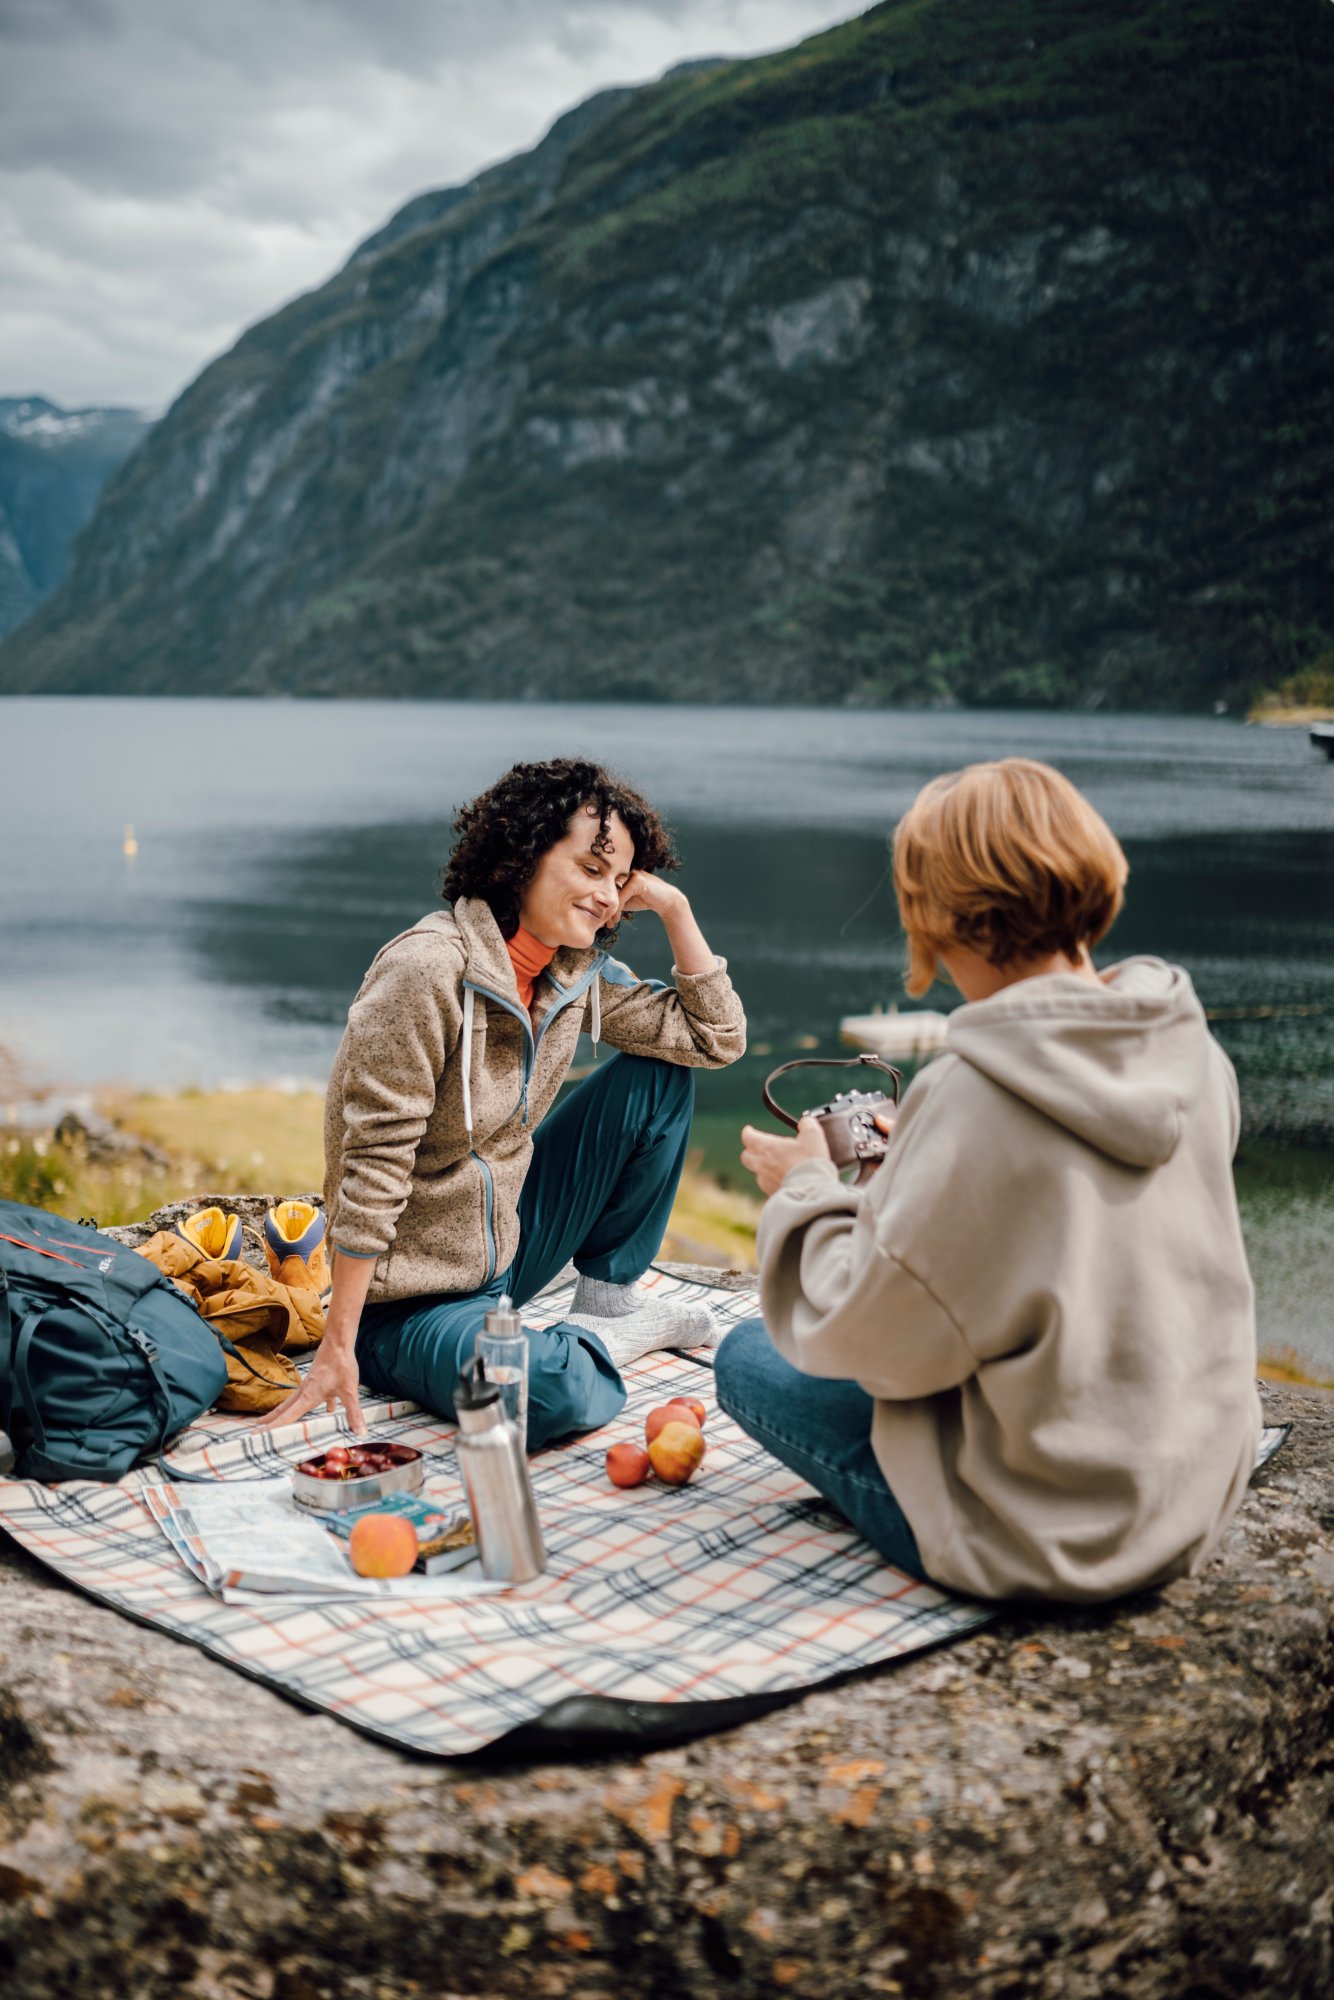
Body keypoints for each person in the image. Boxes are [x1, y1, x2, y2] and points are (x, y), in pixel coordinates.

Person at [722, 757, 1262, 1603]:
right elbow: (1074, 1221)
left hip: (1058, 1534)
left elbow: (869, 1344)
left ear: (937, 916)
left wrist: (809, 1188)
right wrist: (922, 1171)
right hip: (1190, 1488)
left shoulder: (974, 1095)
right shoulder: (1189, 1050)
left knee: (750, 1358)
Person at [259, 758, 745, 1450]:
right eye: (590, 868)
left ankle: (606, 1304)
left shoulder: (573, 976)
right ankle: (599, 1339)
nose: (609, 897)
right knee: (554, 1393)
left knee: (660, 1078)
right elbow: (372, 1165)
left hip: (506, 1255)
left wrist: (675, 909)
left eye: (619, 879)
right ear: (521, 855)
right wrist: (340, 1342)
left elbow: (715, 1038)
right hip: (409, 1308)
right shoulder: (425, 971)